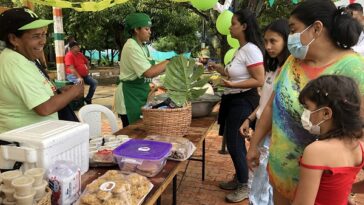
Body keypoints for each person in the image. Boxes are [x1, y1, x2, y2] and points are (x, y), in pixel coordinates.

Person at [246, 1, 364, 204]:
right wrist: (254, 145)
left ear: (316, 28)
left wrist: (346, 187)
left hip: (319, 188)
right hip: (280, 174)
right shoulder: (294, 61)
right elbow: (273, 106)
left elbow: (357, 133)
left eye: (293, 29)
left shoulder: (354, 69)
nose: (290, 37)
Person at [208, 8, 265, 203]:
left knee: (235, 142)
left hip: (243, 101)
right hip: (234, 99)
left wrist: (232, 85)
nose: (230, 27)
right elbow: (237, 74)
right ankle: (240, 177)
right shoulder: (242, 49)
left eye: (233, 23)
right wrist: (220, 69)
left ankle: (244, 185)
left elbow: (259, 80)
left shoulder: (250, 49)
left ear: (244, 26)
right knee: (234, 142)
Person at [0, 7, 83, 133]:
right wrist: (75, 90)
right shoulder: (13, 61)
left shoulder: (26, 58)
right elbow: (45, 107)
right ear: (13, 39)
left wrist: (60, 91)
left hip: (36, 140)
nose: (43, 41)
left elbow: (37, 94)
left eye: (44, 34)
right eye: (36, 36)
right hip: (24, 144)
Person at [239, 19, 290, 205]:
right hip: (261, 129)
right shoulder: (272, 67)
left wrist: (258, 137)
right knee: (258, 180)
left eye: (273, 41)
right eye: (266, 41)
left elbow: (273, 108)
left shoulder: (288, 70)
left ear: (286, 40)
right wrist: (249, 118)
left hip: (271, 134)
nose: (268, 46)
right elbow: (265, 103)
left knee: (262, 182)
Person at [292, 75, 364, 205]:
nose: (305, 114)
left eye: (307, 108)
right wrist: (346, 191)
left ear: (326, 113)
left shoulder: (316, 151)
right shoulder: (359, 147)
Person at [114, 12, 169, 127]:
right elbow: (149, 72)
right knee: (132, 133)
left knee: (142, 130)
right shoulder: (131, 46)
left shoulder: (144, 47)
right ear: (136, 29)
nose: (150, 32)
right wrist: (170, 60)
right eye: (146, 29)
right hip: (130, 95)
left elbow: (154, 69)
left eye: (150, 29)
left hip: (141, 94)